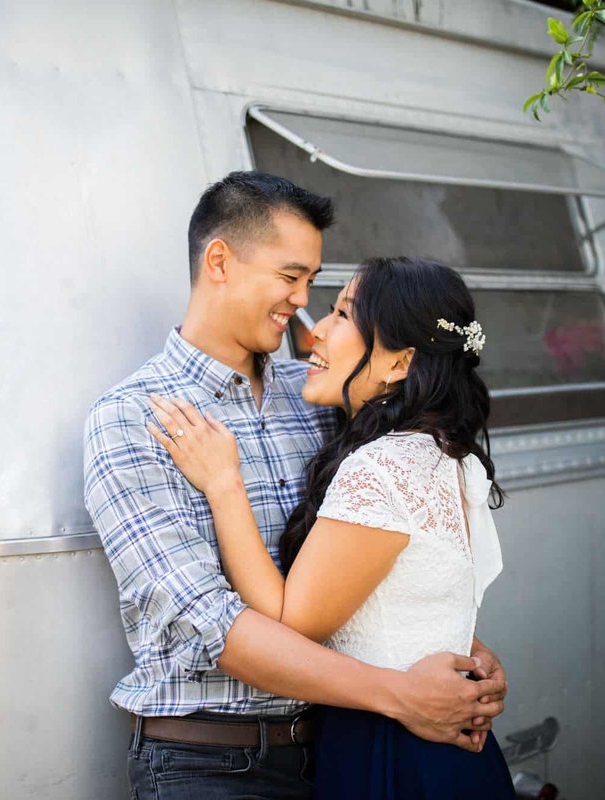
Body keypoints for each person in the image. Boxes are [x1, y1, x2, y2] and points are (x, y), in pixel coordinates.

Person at [83, 172, 506, 800]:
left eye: (315, 284)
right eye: (291, 277)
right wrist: (401, 693)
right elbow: (212, 623)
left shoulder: (320, 394)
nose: (304, 307)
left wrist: (451, 645)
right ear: (220, 262)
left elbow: (370, 560)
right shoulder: (136, 418)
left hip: (342, 745)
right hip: (215, 764)